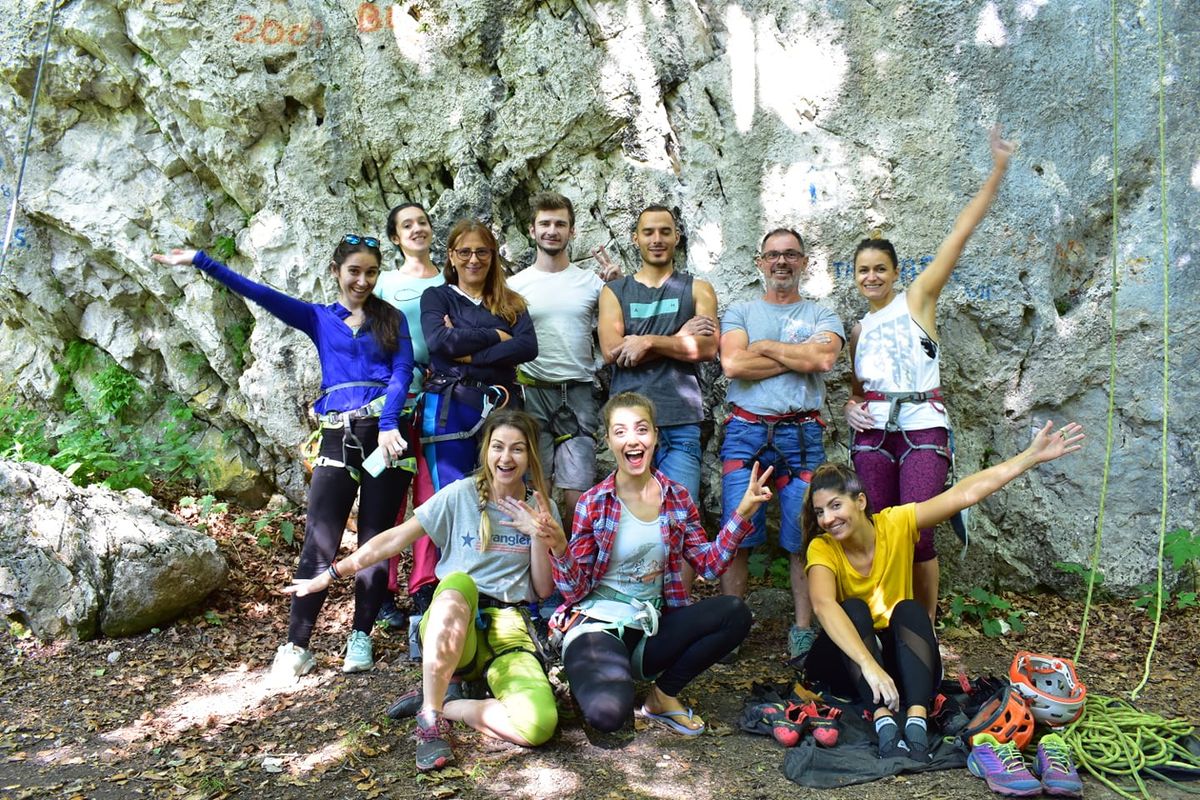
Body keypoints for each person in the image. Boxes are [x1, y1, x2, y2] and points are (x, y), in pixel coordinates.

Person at [152, 237, 414, 678]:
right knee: (320, 539)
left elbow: (403, 371)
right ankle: (296, 645)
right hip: (337, 436)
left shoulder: (392, 320)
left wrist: (389, 422)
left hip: (386, 437)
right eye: (354, 271)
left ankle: (361, 637)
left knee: (374, 541)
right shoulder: (319, 317)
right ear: (336, 271)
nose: (362, 281)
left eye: (370, 273)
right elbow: (261, 294)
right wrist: (202, 260)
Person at [286, 410, 560, 771]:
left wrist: (539, 533)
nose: (506, 458)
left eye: (517, 449)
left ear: (531, 456)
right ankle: (431, 719)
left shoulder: (542, 506)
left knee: (539, 725)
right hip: (455, 623)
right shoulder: (459, 496)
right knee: (457, 583)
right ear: (486, 452)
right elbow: (395, 538)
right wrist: (332, 573)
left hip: (510, 630)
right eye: (498, 447)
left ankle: (448, 704)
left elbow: (542, 589)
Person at [803, 420, 1085, 762]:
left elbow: (963, 494)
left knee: (909, 609)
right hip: (851, 664)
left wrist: (1030, 457)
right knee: (853, 610)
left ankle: (917, 722)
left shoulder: (895, 522)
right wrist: (868, 666)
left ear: (860, 501)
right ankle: (883, 723)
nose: (827, 519)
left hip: (894, 663)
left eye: (835, 505)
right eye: (820, 512)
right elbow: (822, 605)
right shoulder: (822, 548)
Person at [524, 392, 774, 736]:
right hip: (597, 626)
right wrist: (559, 546)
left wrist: (743, 512)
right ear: (609, 440)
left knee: (735, 613)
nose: (633, 439)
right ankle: (596, 678)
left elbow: (709, 566)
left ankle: (662, 696)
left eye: (641, 429)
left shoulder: (677, 497)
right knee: (608, 717)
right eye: (621, 431)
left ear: (655, 435)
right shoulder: (593, 502)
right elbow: (575, 590)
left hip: (651, 629)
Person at [844, 126, 1015, 621]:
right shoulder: (860, 329)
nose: (872, 277)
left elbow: (958, 236)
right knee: (874, 527)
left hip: (921, 426)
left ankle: (924, 625)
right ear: (855, 277)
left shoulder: (917, 301)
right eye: (863, 270)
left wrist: (997, 170)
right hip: (873, 433)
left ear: (896, 273)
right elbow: (858, 390)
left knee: (918, 529)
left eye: (880, 268)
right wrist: (849, 407)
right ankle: (884, 616)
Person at [718, 228, 844, 660]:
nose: (781, 263)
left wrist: (767, 347)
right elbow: (733, 363)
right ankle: (729, 628)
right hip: (746, 431)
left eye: (791, 255)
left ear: (804, 262)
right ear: (760, 262)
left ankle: (804, 629)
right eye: (772, 255)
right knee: (737, 532)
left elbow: (823, 359)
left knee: (804, 535)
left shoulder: (822, 315)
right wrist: (795, 354)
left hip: (802, 433)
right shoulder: (740, 311)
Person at [508, 192, 616, 531]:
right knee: (537, 487)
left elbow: (619, 328)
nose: (552, 230)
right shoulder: (515, 285)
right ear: (532, 230)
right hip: (532, 392)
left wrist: (618, 288)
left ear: (572, 231)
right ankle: (540, 568)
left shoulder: (592, 282)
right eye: (545, 224)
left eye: (560, 224)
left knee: (577, 491)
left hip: (579, 392)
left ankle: (573, 565)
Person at [596, 206, 718, 503]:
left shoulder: (698, 289)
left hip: (680, 421)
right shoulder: (615, 291)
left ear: (677, 237)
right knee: (635, 516)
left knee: (679, 517)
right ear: (635, 238)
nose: (657, 239)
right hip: (630, 425)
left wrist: (646, 342)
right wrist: (679, 338)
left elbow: (707, 347)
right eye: (648, 232)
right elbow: (614, 351)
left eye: (665, 231)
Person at [417, 219, 537, 506]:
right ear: (451, 255)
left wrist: (470, 353)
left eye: (482, 252)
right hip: (451, 406)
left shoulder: (510, 302)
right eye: (465, 252)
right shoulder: (437, 296)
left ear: (493, 256)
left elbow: (528, 346)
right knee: (452, 497)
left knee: (506, 493)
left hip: (502, 407)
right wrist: (496, 334)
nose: (474, 259)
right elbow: (439, 342)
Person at [374, 202, 446, 626]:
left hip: (439, 400)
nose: (417, 229)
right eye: (407, 225)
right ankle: (380, 590)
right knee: (388, 497)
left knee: (429, 492)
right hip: (395, 403)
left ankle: (423, 585)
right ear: (395, 237)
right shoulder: (384, 283)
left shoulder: (447, 278)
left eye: (422, 222)